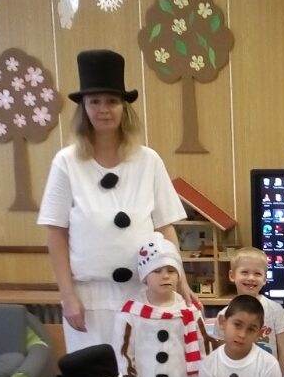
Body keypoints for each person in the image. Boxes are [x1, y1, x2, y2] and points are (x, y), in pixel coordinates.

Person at [38, 49, 198, 353]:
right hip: (89, 297)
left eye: (111, 101)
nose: (103, 109)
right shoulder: (66, 162)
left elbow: (165, 229)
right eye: (94, 101)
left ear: (124, 107)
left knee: (145, 371)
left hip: (144, 292)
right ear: (83, 108)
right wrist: (67, 296)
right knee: (95, 376)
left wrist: (181, 282)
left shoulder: (148, 161)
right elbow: (56, 234)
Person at [113, 232, 205, 377]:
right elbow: (123, 355)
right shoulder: (131, 312)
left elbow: (202, 352)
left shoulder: (189, 311)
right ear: (144, 276)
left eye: (171, 270)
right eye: (157, 271)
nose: (166, 276)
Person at [222, 247, 284, 372]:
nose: (251, 278)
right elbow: (221, 353)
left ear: (265, 279)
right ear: (232, 275)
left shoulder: (276, 310)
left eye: (257, 274)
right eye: (245, 272)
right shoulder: (224, 315)